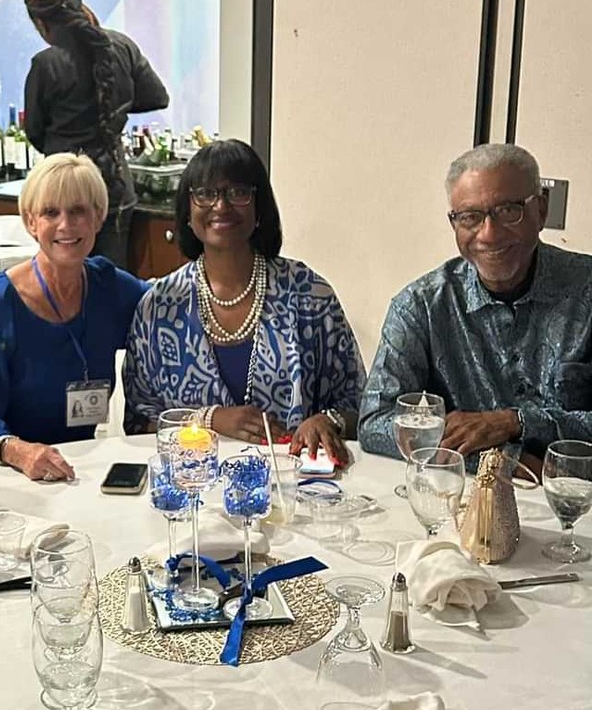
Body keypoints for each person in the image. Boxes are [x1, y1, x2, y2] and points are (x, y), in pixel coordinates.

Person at [123, 139, 365, 463]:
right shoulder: (159, 307)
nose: (221, 206)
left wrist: (328, 421)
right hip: (192, 482)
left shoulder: (309, 295)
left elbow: (360, 406)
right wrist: (208, 420)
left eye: (238, 192)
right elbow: (138, 423)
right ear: (187, 212)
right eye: (206, 193)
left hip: (293, 483)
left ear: (259, 208)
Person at [358, 143, 592, 466]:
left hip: (575, 492)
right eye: (470, 217)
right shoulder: (421, 306)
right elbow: (375, 423)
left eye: (508, 211)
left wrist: (515, 422)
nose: (489, 234)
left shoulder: (586, 290)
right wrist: (503, 461)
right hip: (463, 491)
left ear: (541, 210)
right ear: (454, 223)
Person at [0, 154, 147, 481]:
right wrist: (19, 451)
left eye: (78, 211)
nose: (65, 225)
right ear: (31, 222)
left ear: (98, 217)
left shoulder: (110, 287)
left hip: (85, 470)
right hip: (14, 474)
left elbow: (172, 301)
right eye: (50, 212)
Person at [23, 0, 169, 270]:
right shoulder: (122, 46)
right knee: (111, 281)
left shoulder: (46, 63)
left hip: (63, 192)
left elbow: (35, 131)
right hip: (115, 187)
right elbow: (157, 96)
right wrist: (112, 107)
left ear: (41, 24)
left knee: (65, 280)